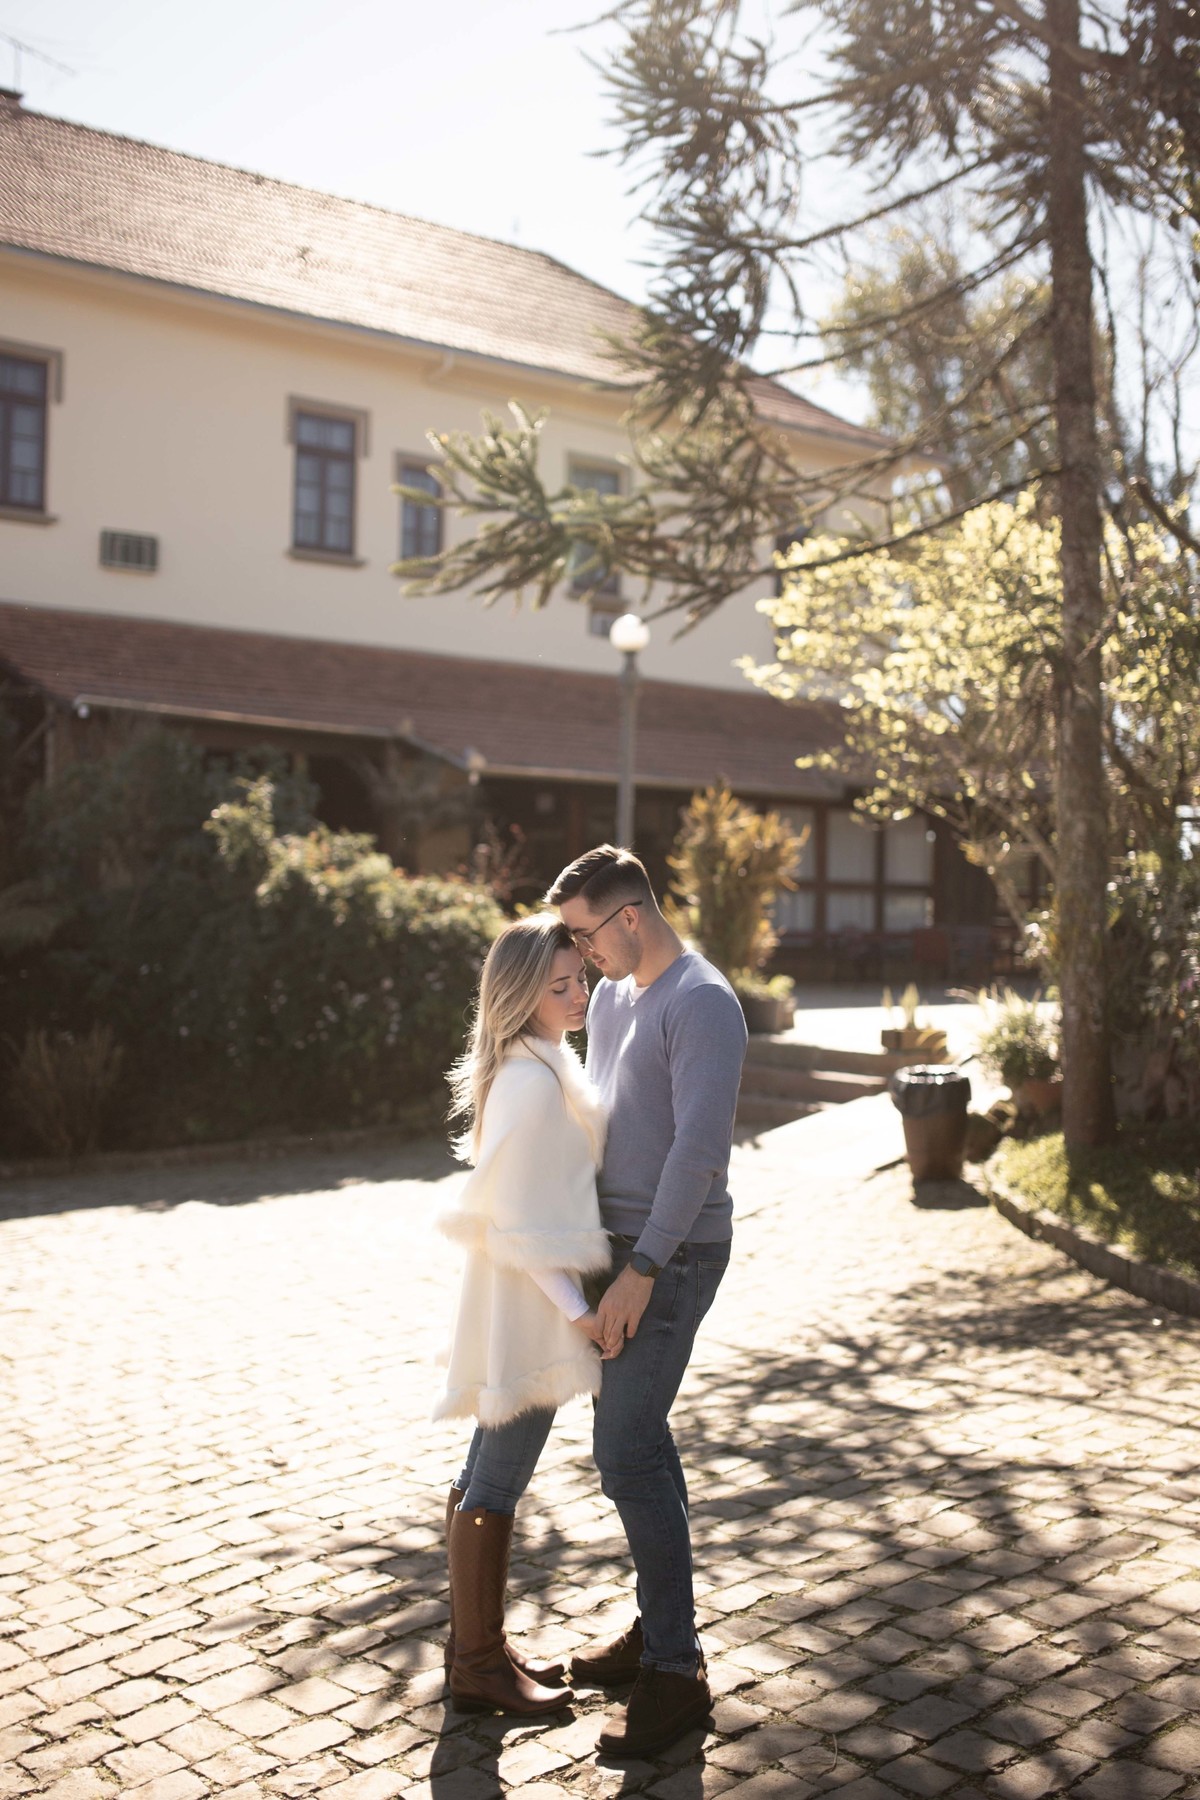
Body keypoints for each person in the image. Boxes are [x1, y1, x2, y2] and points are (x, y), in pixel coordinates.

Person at [546, 844, 748, 1759]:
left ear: (631, 916)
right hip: (616, 1246)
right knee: (644, 1444)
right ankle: (657, 1629)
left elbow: (696, 1153)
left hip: (673, 1254)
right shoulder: (621, 997)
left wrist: (642, 1270)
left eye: (587, 936)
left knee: (624, 1449)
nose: (581, 956)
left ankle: (677, 1671)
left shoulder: (702, 1004)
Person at [433, 914, 622, 1717]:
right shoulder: (528, 1080)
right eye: (560, 986)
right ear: (520, 995)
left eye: (579, 979)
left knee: (487, 1469)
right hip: (532, 1307)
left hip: (523, 1300)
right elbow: (518, 1216)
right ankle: (475, 1663)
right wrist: (579, 1312)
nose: (578, 994)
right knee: (499, 1477)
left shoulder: (538, 1064)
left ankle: (476, 1648)